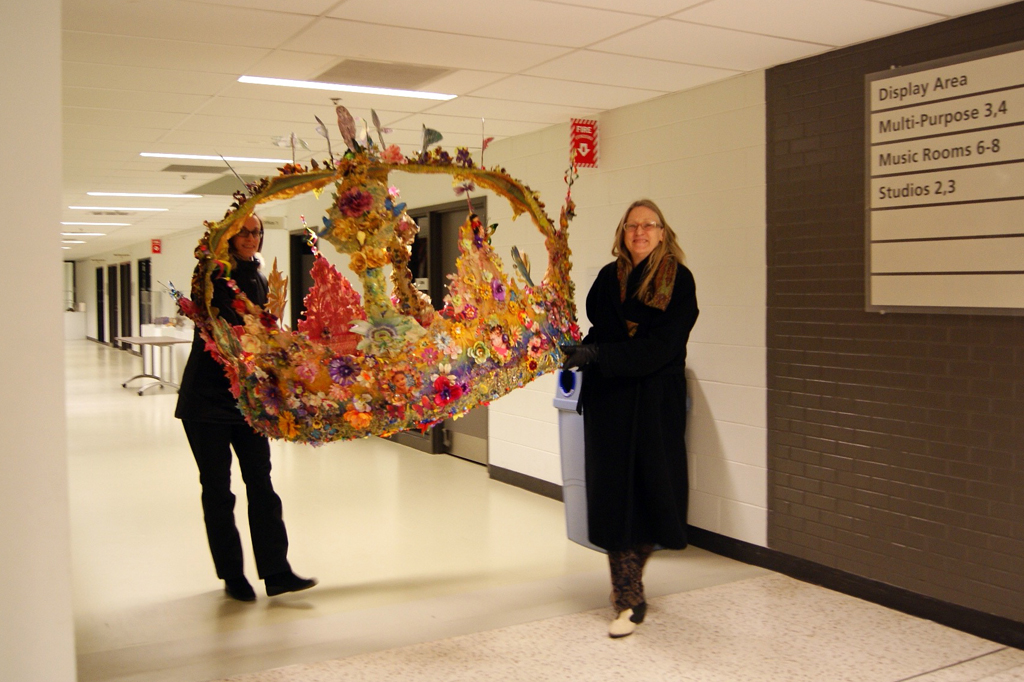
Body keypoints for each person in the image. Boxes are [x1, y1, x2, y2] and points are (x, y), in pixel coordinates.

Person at [562, 199, 698, 638]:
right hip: (611, 401)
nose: (639, 232)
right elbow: (601, 331)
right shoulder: (607, 278)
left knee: (654, 490)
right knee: (613, 491)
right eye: (631, 225)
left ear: (662, 232)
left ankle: (630, 581)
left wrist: (600, 354)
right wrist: (578, 350)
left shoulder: (680, 280)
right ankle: (628, 596)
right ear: (623, 232)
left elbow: (663, 346)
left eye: (648, 225)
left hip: (656, 399)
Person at [175, 214, 317, 602]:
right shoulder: (213, 273)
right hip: (206, 401)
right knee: (218, 490)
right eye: (244, 232)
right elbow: (233, 328)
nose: (251, 238)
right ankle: (232, 576)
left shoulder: (256, 275)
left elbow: (262, 331)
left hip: (247, 400)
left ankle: (276, 571)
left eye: (256, 232)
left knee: (262, 483)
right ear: (230, 236)